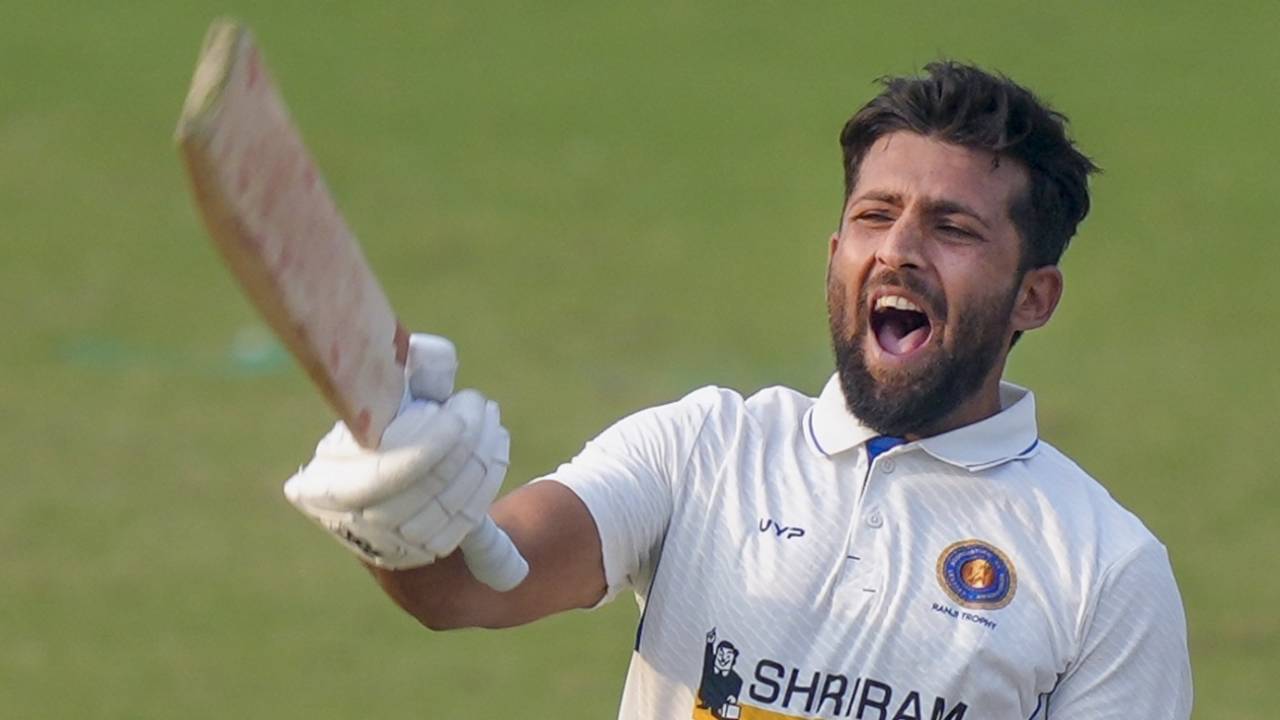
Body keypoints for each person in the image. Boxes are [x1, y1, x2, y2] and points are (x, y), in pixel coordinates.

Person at [284, 61, 1193, 719]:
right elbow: (471, 588)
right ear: (835, 252)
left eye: (952, 228)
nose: (899, 249)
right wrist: (394, 495)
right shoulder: (705, 449)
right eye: (873, 216)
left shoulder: (1104, 572)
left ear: (1034, 296)